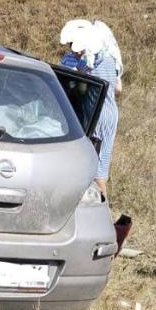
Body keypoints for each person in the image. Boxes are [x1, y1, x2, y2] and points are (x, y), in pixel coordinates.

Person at [60, 21, 122, 195]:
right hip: (109, 114)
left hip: (93, 116)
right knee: (98, 166)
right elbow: (118, 88)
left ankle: (103, 212)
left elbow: (69, 84)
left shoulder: (79, 61)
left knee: (95, 172)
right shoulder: (110, 59)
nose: (72, 49)